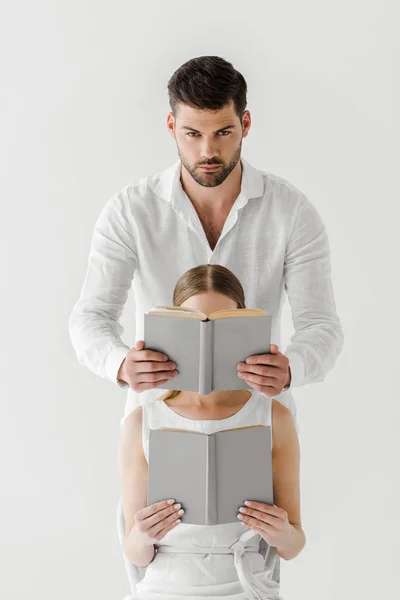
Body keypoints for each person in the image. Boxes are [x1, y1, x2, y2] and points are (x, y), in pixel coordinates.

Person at [68, 55, 343, 591]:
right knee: (159, 554)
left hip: (256, 415)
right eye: (192, 133)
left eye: (222, 132)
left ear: (246, 122)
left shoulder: (292, 212)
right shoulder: (131, 211)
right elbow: (90, 317)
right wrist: (121, 363)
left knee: (252, 553)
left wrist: (290, 369)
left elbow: (323, 326)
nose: (208, 151)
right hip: (161, 418)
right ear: (171, 125)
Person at [119, 264, 304, 599]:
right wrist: (142, 535)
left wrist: (280, 532)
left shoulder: (274, 418)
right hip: (165, 587)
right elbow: (136, 553)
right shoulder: (141, 421)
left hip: (243, 585)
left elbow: (293, 545)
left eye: (221, 325)